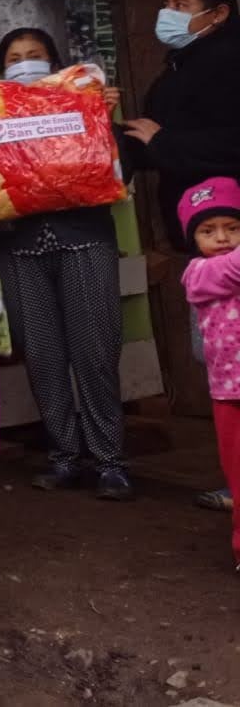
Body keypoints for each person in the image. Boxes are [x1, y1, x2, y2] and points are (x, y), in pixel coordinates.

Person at [0, 27, 132, 500]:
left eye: (35, 55)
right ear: (2, 69)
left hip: (84, 240)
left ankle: (110, 462)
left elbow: (121, 171)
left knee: (96, 352)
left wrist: (102, 120)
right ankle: (64, 457)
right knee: (43, 355)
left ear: (54, 64)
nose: (24, 63)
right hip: (19, 246)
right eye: (14, 57)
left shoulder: (84, 105)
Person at [121, 0, 240, 244]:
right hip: (199, 222)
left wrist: (164, 143)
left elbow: (229, 141)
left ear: (218, 14)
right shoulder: (182, 64)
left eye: (180, 5)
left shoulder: (229, 63)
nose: (167, 14)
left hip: (227, 224)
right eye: (166, 5)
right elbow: (158, 135)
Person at [178, 177, 240, 570]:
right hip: (230, 395)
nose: (221, 238)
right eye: (207, 230)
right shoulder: (198, 274)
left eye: (232, 228)